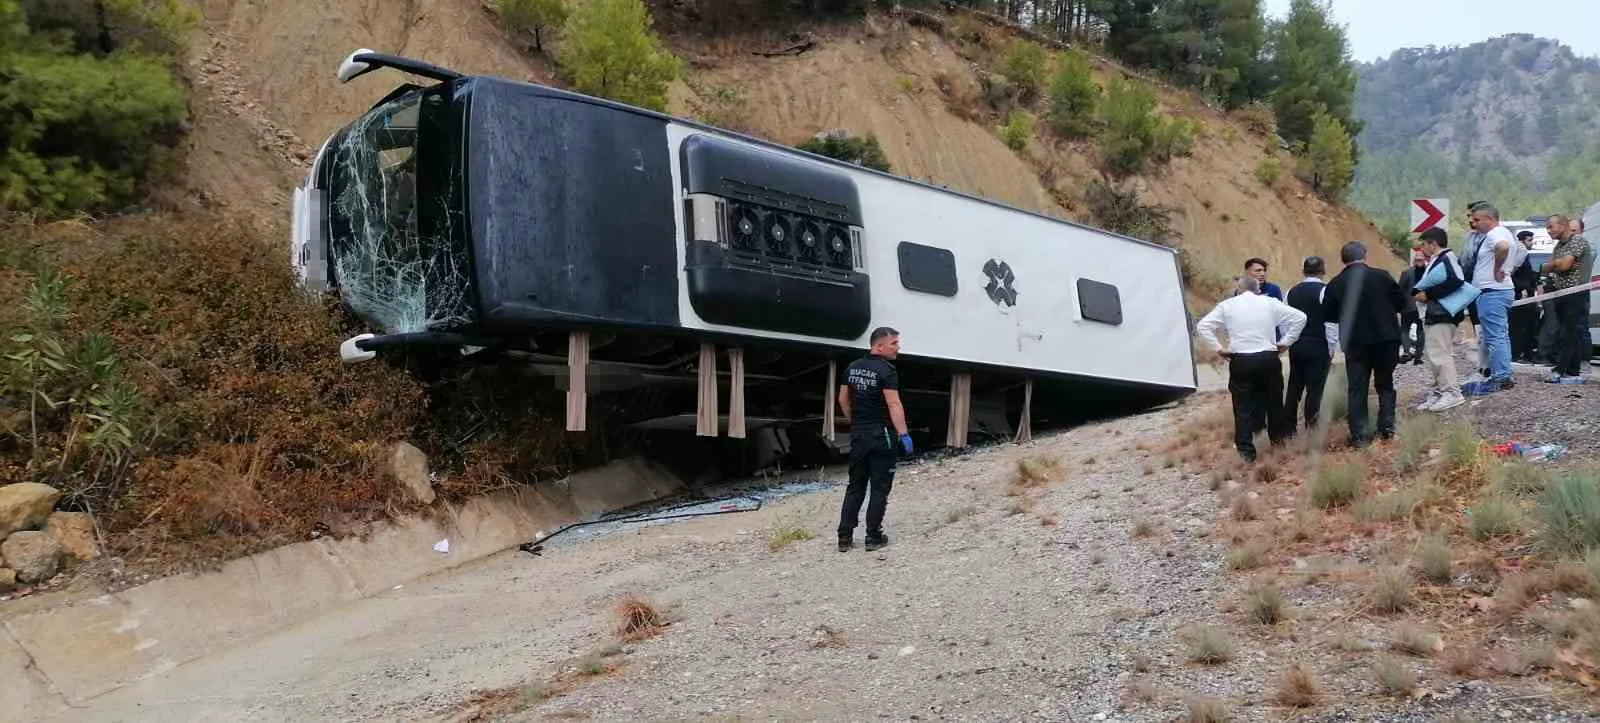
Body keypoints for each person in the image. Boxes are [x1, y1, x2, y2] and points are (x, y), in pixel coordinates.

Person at [1196, 276, 1307, 462]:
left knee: (1242, 407)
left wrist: (1219, 348)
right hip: (1268, 357)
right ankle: (1278, 444)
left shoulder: (1228, 305)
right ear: (1258, 289)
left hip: (1241, 359)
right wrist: (1286, 342)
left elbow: (1203, 326)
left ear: (1239, 289)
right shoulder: (1270, 303)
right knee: (1274, 403)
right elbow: (1300, 317)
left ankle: (1246, 452)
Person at [1322, 241, 1406, 447]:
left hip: (1355, 341)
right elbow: (1401, 303)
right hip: (1386, 338)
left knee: (1357, 387)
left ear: (1343, 259)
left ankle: (1359, 435)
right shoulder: (1382, 276)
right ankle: (1386, 428)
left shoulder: (1336, 283)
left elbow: (1329, 314)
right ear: (1365, 255)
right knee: (1385, 384)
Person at [836, 326, 912, 552]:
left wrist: (855, 421)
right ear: (879, 346)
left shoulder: (852, 367)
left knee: (855, 486)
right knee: (879, 487)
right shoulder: (887, 371)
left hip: (859, 435)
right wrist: (904, 434)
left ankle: (844, 536)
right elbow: (894, 404)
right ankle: (873, 536)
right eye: (894, 343)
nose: (898, 347)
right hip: (882, 436)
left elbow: (842, 399)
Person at [1460, 204, 1523, 395]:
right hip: (1497, 290)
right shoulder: (1504, 232)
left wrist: (1497, 269)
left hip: (1492, 291)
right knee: (1499, 335)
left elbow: (1502, 248)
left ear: (1490, 218)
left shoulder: (1495, 235)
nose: (1474, 223)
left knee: (1495, 336)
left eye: (1477, 220)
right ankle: (1502, 374)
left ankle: (1501, 376)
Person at [1412, 227, 1476, 412]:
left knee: (1440, 354)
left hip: (1441, 313)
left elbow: (1456, 280)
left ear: (1433, 243)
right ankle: (1440, 391)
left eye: (1424, 244)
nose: (1422, 248)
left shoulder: (1447, 258)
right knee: (1434, 354)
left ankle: (1452, 392)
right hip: (1436, 313)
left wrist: (1429, 294)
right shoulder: (1438, 260)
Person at [1284, 256, 1338, 431]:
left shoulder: (1291, 291)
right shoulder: (1326, 291)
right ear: (1323, 271)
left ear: (1303, 271)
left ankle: (1289, 426)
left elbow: (1285, 320)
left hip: (1297, 344)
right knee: (1315, 388)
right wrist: (1331, 347)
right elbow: (1331, 322)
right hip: (1318, 343)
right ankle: (1311, 425)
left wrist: (1288, 341)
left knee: (1294, 385)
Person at [1539, 214, 1591, 385]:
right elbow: (1545, 268)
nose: (1548, 231)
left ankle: (1559, 370)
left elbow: (1564, 266)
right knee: (1570, 333)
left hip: (1575, 293)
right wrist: (1555, 264)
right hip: (1561, 293)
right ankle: (1572, 371)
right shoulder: (1559, 246)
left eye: (1550, 227)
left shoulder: (1577, 241)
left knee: (1567, 333)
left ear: (1562, 225)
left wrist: (1556, 264)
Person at [1510, 230, 1541, 363]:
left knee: (1525, 325)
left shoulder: (1520, 253)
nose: (1531, 243)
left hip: (1524, 294)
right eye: (1529, 240)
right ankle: (1517, 354)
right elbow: (1514, 273)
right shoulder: (1521, 252)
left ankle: (1523, 353)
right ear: (1522, 241)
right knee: (1520, 326)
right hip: (1522, 295)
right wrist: (1523, 289)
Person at [1398, 246, 1428, 365]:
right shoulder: (1428, 273)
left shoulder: (1406, 273)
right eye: (1418, 260)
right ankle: (1417, 356)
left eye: (1420, 260)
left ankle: (1409, 353)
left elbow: (1400, 289)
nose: (1419, 262)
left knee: (1406, 329)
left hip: (1410, 306)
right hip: (1418, 306)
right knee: (1419, 331)